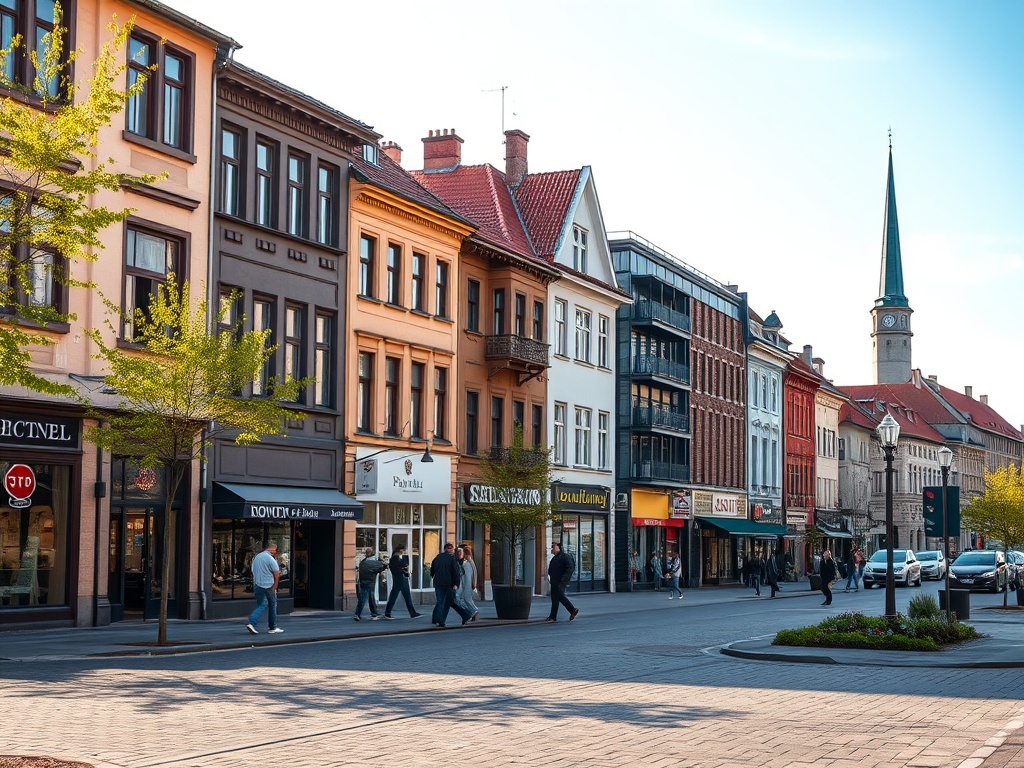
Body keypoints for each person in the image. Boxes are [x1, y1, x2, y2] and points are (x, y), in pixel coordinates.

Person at [429, 542, 472, 627]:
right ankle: (442, 620)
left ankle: (438, 619)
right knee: (448, 602)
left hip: (438, 583)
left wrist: (435, 577)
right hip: (449, 584)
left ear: (444, 549)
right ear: (451, 549)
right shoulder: (452, 559)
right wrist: (456, 584)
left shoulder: (437, 557)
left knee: (442, 601)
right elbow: (456, 572)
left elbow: (432, 570)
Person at [246, 541, 284, 634]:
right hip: (269, 585)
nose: (275, 552)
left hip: (257, 584)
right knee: (273, 605)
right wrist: (275, 586)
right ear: (273, 549)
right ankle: (272, 627)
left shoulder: (256, 557)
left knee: (261, 604)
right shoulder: (270, 559)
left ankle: (251, 623)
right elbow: (276, 573)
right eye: (275, 550)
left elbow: (253, 571)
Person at [384, 544, 422, 619]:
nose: (404, 552)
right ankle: (412, 613)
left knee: (396, 595)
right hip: (401, 579)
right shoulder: (396, 558)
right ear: (400, 550)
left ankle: (388, 612)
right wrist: (405, 568)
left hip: (398, 578)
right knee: (403, 596)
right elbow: (403, 565)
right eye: (404, 550)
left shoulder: (394, 558)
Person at [544, 542, 579, 622]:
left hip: (560, 581)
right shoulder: (555, 558)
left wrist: (563, 580)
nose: (552, 549)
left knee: (560, 596)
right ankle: (553, 616)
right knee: (555, 599)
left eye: (554, 547)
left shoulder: (565, 557)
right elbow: (551, 568)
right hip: (554, 581)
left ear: (559, 548)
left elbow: (570, 569)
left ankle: (572, 610)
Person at [353, 547, 386, 621]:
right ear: (372, 553)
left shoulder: (363, 561)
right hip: (369, 582)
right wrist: (383, 562)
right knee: (363, 598)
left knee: (370, 597)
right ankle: (357, 614)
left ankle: (374, 612)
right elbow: (381, 567)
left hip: (363, 581)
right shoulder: (373, 561)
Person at [455, 546, 479, 622]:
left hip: (466, 584)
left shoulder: (467, 564)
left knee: (467, 598)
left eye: (460, 552)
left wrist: (472, 584)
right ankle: (471, 612)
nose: (459, 553)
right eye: (458, 552)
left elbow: (468, 577)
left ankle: (474, 612)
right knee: (457, 597)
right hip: (462, 583)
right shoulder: (461, 562)